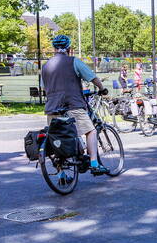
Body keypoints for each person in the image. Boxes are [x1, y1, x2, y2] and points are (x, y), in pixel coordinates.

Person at [42, 35, 109, 175]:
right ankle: (94, 164)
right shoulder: (73, 61)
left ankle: (61, 174)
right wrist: (102, 89)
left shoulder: (46, 66)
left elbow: (45, 88)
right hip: (72, 105)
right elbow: (92, 77)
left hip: (52, 108)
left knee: (57, 138)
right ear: (69, 49)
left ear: (54, 49)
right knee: (91, 131)